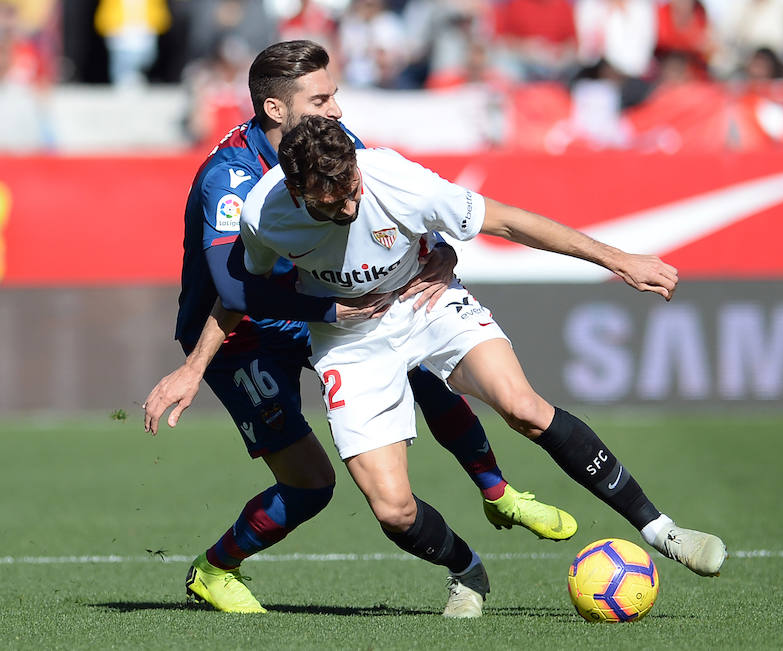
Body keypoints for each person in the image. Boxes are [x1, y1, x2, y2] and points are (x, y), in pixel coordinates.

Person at [142, 40, 576, 616]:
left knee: (424, 366)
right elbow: (233, 290)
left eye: (335, 96)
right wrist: (196, 367)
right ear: (277, 110)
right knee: (312, 486)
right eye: (321, 98)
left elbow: (393, 202)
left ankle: (499, 493)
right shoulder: (229, 177)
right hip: (239, 332)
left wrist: (438, 250)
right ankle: (214, 570)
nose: (337, 111)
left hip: (318, 309)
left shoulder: (331, 144)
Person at [233, 114, 728, 618]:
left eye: (353, 188)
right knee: (394, 510)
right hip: (350, 343)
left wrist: (618, 259)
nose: (351, 205)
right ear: (297, 192)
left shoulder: (396, 180)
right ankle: (466, 570)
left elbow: (511, 221)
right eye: (332, 201)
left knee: (523, 407)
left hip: (423, 303)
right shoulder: (262, 215)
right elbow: (247, 288)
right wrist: (323, 310)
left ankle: (663, 531)